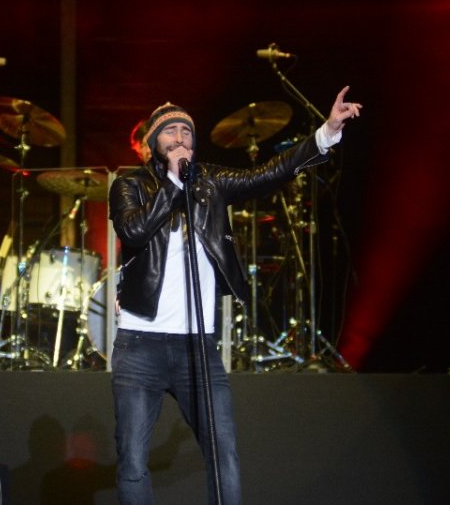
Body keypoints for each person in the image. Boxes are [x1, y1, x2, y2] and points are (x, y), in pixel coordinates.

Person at [108, 86, 363, 504]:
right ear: (154, 143)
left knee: (224, 453)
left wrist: (326, 132)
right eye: (170, 132)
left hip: (199, 348)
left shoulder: (211, 182)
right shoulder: (130, 185)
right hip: (141, 345)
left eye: (186, 132)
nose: (180, 139)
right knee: (133, 460)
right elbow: (133, 230)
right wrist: (172, 183)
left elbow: (270, 173)